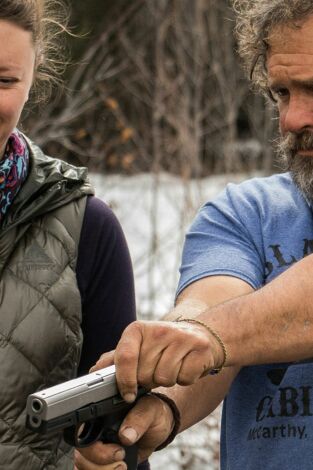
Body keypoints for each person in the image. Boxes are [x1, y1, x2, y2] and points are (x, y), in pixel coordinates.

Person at [75, 1, 313, 469]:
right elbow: (207, 308)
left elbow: (216, 329)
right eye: (282, 93)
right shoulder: (245, 213)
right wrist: (161, 402)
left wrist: (207, 335)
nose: (290, 119)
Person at [0, 2, 149, 470]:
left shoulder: (89, 230)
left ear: (32, 81)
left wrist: (89, 462)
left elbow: (119, 433)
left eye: (4, 81)